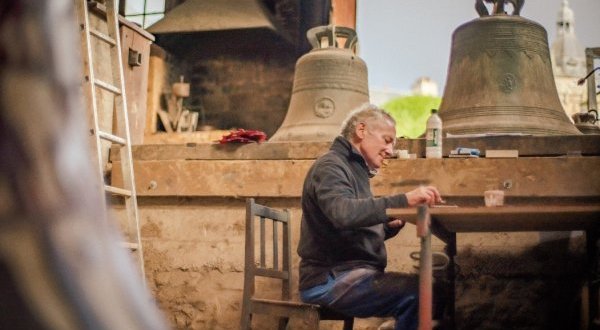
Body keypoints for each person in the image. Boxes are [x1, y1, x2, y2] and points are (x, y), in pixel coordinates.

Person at [297, 103, 444, 330]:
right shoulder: (330, 166)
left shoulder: (355, 171)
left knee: (435, 292)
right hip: (329, 279)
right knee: (421, 293)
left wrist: (389, 226)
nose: (391, 150)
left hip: (352, 272)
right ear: (362, 131)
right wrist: (403, 200)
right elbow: (343, 214)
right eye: (387, 140)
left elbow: (352, 228)